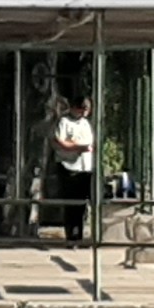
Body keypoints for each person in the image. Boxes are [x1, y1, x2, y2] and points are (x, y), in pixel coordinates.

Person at [48, 96, 96, 244]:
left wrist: (81, 147)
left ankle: (78, 235)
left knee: (81, 203)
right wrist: (78, 147)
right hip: (68, 166)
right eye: (82, 109)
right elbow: (61, 142)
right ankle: (71, 236)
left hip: (85, 167)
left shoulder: (86, 124)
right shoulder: (64, 122)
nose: (83, 113)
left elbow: (89, 143)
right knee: (70, 203)